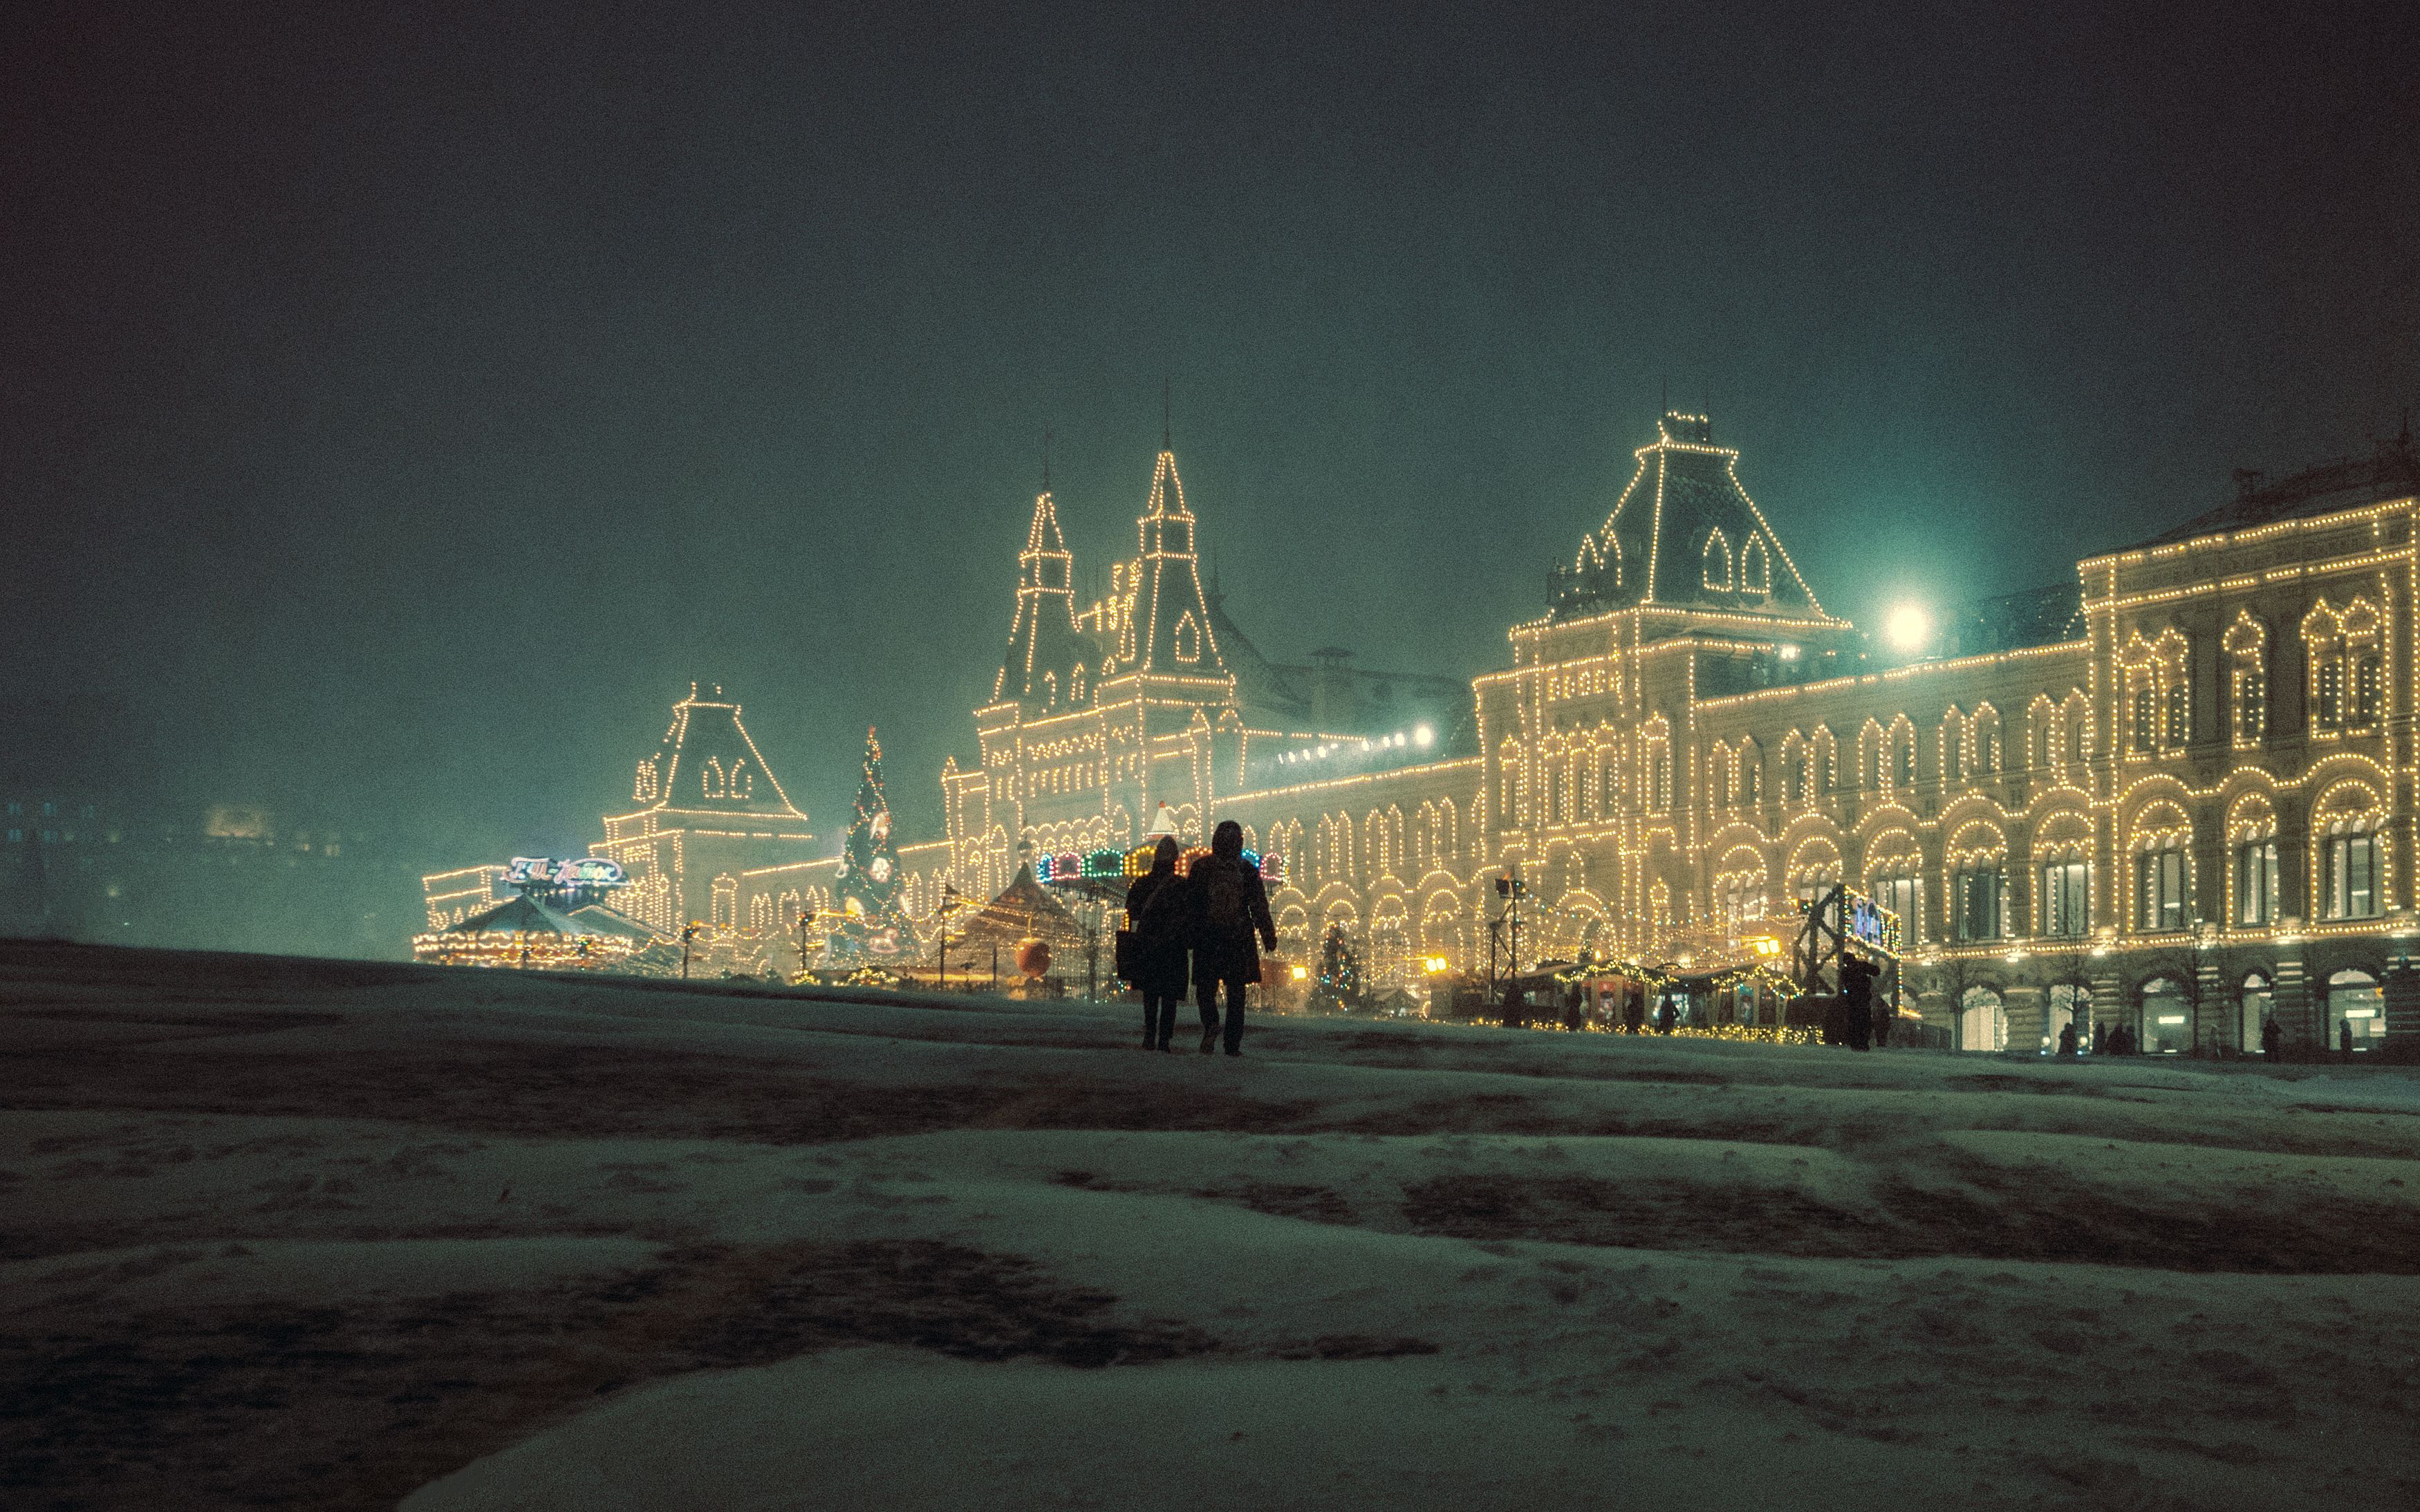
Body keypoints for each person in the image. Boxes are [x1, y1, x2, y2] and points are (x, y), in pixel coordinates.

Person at [1183, 820, 1276, 1056]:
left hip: (1209, 938)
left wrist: (1189, 935)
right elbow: (1259, 906)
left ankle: (1211, 1023)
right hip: (1238, 939)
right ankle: (1232, 1044)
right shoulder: (1246, 870)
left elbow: (1191, 905)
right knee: (1236, 992)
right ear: (1239, 843)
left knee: (1206, 989)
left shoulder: (1202, 868)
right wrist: (1268, 934)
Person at [1122, 836, 1190, 1052]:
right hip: (1173, 946)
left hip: (1149, 945)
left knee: (1150, 993)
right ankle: (1165, 1039)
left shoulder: (1142, 883)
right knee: (1169, 996)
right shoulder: (1181, 886)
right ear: (1175, 859)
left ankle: (1150, 1034)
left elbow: (1132, 911)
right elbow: (1190, 915)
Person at [1839, 953, 1878, 1052]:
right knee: (1864, 1021)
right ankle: (1863, 1043)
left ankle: (1856, 1043)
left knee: (1854, 1022)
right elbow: (1876, 971)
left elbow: (1845, 984)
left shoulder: (1845, 971)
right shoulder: (1862, 966)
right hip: (1863, 999)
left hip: (1853, 1000)